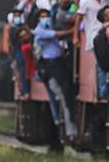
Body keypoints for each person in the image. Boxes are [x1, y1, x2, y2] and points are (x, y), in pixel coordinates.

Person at [33, 8, 78, 140]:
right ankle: (69, 130)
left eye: (46, 15)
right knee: (63, 95)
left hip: (58, 63)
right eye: (42, 16)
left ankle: (67, 126)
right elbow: (58, 35)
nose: (45, 18)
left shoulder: (49, 28)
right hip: (50, 66)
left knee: (67, 93)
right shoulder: (40, 31)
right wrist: (73, 30)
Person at [75, 0, 109, 101]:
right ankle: (102, 91)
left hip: (107, 32)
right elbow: (78, 18)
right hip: (94, 35)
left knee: (106, 61)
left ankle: (105, 87)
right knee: (100, 63)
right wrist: (76, 37)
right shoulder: (86, 2)